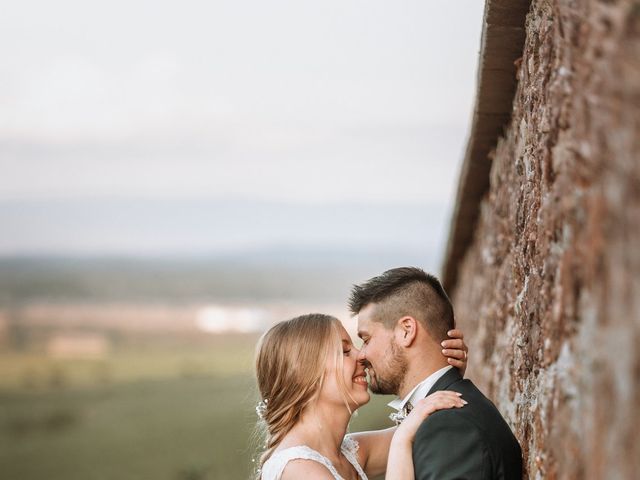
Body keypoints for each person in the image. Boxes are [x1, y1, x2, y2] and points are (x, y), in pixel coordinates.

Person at [350, 267, 523, 479]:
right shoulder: (438, 418)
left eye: (366, 339)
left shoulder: (451, 426)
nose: (361, 354)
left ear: (406, 330)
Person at [255, 313, 469, 479]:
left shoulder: (348, 453)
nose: (361, 355)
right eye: (344, 351)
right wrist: (401, 443)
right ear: (305, 375)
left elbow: (427, 427)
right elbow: (408, 432)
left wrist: (441, 372)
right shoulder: (299, 470)